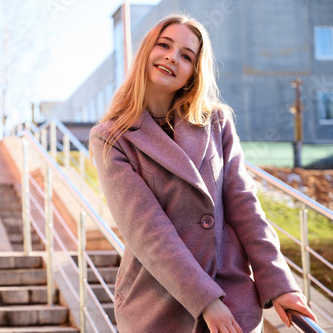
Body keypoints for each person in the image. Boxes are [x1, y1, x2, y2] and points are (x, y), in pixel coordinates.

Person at [89, 14, 317, 333]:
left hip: (234, 298)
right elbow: (146, 230)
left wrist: (279, 283)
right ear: (147, 53)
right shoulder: (112, 137)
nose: (172, 57)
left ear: (193, 74)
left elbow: (245, 207)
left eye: (186, 55)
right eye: (164, 45)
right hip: (158, 307)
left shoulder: (216, 123)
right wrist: (206, 301)